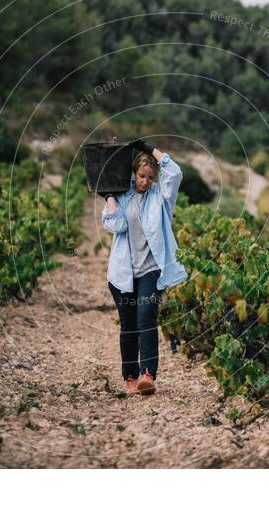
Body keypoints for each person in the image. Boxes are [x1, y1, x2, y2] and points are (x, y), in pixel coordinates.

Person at [99, 139, 188, 397]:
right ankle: (130, 378)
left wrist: (148, 148)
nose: (145, 181)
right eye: (141, 176)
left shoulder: (161, 197)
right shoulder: (122, 195)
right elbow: (115, 226)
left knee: (146, 317)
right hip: (123, 272)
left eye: (150, 177)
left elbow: (176, 172)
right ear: (134, 174)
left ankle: (147, 375)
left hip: (151, 270)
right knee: (128, 326)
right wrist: (110, 197)